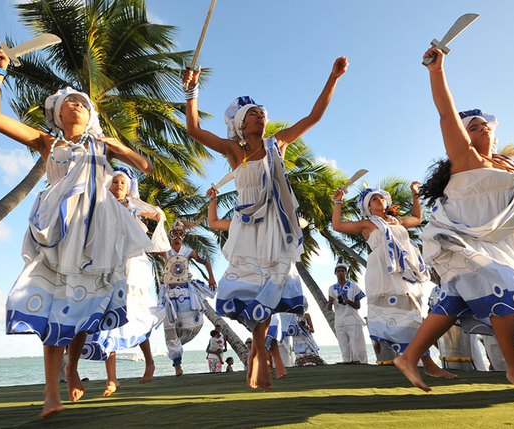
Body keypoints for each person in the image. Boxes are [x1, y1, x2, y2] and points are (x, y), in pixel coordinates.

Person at [0, 49, 153, 417]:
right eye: (69, 101)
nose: (76, 104)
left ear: (91, 116)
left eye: (82, 103)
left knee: (82, 303)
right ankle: (50, 389)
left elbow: (144, 166)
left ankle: (72, 367)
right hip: (59, 231)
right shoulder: (49, 143)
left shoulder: (100, 146)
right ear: (57, 114)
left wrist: (117, 147)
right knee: (56, 300)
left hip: (96, 233)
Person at [394, 46, 514, 398]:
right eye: (472, 124)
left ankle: (410, 356)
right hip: (464, 237)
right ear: (464, 134)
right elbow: (444, 116)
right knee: (506, 289)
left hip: (502, 241)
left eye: (485, 123)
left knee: (457, 299)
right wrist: (436, 72)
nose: (480, 126)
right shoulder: (465, 157)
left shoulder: (508, 168)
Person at [183, 56, 348, 389]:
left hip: (276, 227)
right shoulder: (233, 151)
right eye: (252, 113)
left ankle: (259, 352)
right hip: (246, 227)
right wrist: (191, 93)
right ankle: (258, 350)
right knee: (251, 287)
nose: (259, 115)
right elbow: (194, 129)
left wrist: (333, 77)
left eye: (262, 112)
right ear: (241, 124)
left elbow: (314, 116)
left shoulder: (279, 146)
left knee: (271, 287)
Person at [332, 184, 454, 379]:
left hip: (404, 271)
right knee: (395, 314)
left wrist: (415, 195)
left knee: (413, 313)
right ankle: (425, 363)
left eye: (381, 197)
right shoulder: (367, 224)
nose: (378, 200)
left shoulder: (398, 221)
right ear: (369, 207)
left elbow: (418, 218)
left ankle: (417, 360)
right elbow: (338, 226)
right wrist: (338, 201)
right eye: (373, 199)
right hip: (382, 272)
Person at [84, 167, 170, 396]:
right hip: (109, 263)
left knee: (135, 314)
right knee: (108, 317)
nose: (118, 185)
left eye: (122, 182)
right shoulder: (102, 207)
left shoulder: (133, 207)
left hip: (133, 266)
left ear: (130, 187)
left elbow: (159, 215)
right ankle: (112, 379)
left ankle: (149, 362)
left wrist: (148, 212)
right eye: (114, 182)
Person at [160, 220, 217, 376]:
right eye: (175, 234)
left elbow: (205, 260)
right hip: (168, 293)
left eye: (180, 234)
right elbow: (149, 244)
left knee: (190, 323)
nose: (177, 236)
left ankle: (179, 347)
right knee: (169, 327)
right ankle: (177, 364)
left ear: (183, 236)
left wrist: (211, 277)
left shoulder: (188, 251)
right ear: (170, 235)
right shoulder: (164, 249)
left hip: (186, 292)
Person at [327, 262, 368, 364]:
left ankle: (361, 364)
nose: (340, 273)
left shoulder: (353, 286)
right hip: (339, 320)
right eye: (338, 271)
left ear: (346, 273)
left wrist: (348, 301)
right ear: (335, 273)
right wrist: (331, 302)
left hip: (352, 319)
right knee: (344, 346)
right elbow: (328, 308)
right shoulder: (331, 288)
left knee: (356, 345)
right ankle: (346, 363)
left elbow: (358, 306)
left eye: (342, 271)